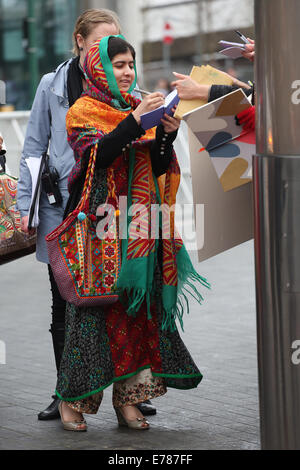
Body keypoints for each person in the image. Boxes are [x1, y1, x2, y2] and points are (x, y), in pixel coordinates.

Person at [54, 35, 209, 431]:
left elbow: (158, 167)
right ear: (98, 68)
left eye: (130, 64)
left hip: (140, 228)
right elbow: (96, 157)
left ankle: (129, 400)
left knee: (136, 314)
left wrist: (166, 134)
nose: (126, 72)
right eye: (118, 64)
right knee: (91, 318)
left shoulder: (139, 105)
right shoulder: (83, 110)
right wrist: (135, 122)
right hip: (99, 228)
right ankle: (73, 401)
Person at [16, 8, 154, 420]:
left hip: (114, 213)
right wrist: (27, 205)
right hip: (63, 207)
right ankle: (65, 393)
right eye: (99, 43)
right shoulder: (51, 86)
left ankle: (128, 394)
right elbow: (33, 147)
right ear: (80, 41)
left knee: (116, 302)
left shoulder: (124, 83)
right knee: (66, 304)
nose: (109, 53)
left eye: (115, 44)